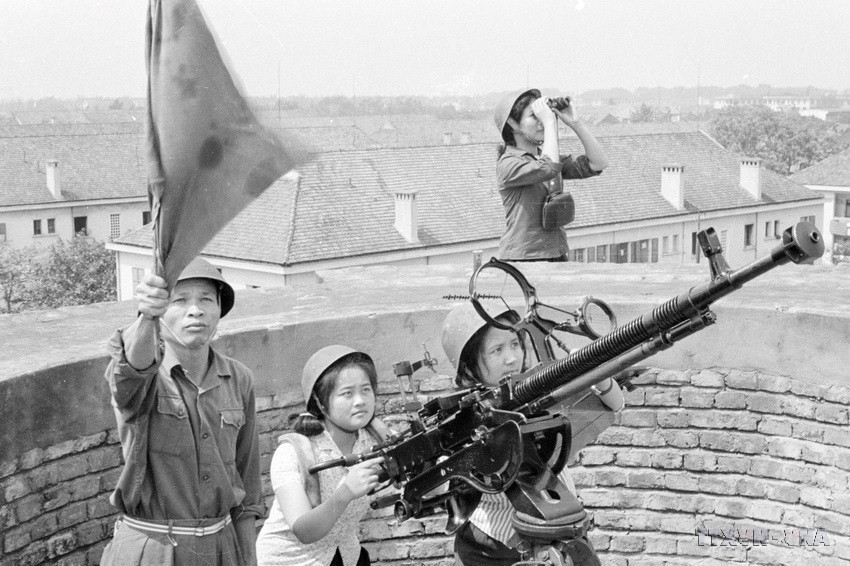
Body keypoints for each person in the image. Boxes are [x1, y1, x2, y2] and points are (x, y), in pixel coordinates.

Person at [101, 257, 263, 565]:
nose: (196, 310)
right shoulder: (143, 376)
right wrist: (147, 317)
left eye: (206, 299)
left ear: (219, 309)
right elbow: (131, 372)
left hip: (221, 548)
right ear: (162, 312)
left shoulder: (239, 379)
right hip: (152, 547)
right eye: (180, 300)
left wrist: (248, 560)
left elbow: (247, 486)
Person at [441, 302, 624, 566]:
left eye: (515, 344)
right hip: (492, 546)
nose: (512, 358)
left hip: (558, 524)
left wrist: (598, 373)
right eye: (497, 350)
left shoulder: (533, 388)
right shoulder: (461, 420)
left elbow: (615, 404)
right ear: (469, 368)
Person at [256, 345, 387, 566]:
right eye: (347, 393)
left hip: (345, 555)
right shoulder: (293, 453)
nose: (360, 401)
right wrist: (345, 492)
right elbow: (303, 530)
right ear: (320, 402)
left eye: (366, 389)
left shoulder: (374, 440)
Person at [494, 88, 609, 262]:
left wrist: (576, 123)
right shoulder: (508, 163)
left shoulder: (546, 157)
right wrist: (549, 124)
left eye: (543, 117)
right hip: (522, 258)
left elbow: (598, 163)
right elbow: (549, 168)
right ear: (512, 124)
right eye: (535, 116)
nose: (541, 122)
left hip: (556, 254)